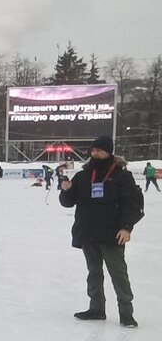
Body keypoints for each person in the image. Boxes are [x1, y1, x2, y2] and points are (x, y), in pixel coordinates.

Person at [59, 136, 144, 328]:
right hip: (88, 233)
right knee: (94, 272)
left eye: (99, 150)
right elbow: (68, 202)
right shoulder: (82, 175)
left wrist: (126, 227)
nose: (94, 153)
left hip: (112, 233)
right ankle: (96, 308)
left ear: (109, 151)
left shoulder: (121, 175)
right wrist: (66, 190)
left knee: (118, 273)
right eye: (92, 150)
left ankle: (126, 312)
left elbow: (130, 204)